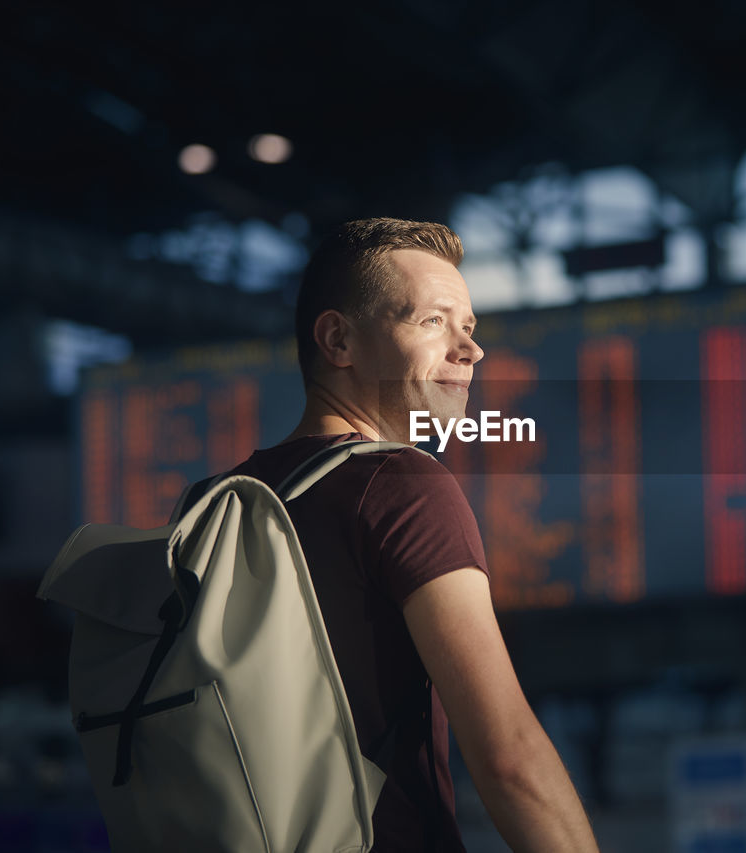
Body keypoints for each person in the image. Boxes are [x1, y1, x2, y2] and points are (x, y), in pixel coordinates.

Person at [229, 218, 598, 852]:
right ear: (338, 339)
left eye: (470, 327)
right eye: (433, 321)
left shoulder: (222, 500)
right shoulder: (402, 486)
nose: (471, 350)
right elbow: (509, 758)